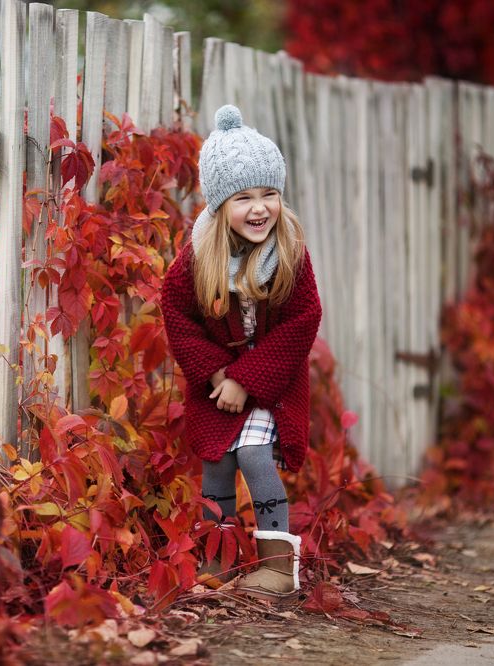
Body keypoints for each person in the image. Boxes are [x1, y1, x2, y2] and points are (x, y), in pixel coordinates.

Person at [161, 104, 322, 599]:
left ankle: (278, 566)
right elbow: (179, 318)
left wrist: (246, 380)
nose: (260, 208)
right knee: (216, 460)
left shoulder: (289, 252)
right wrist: (214, 377)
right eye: (243, 197)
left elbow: (303, 320)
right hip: (217, 387)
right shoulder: (197, 259)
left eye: (269, 194)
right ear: (218, 204)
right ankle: (219, 558)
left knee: (253, 453)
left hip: (273, 383)